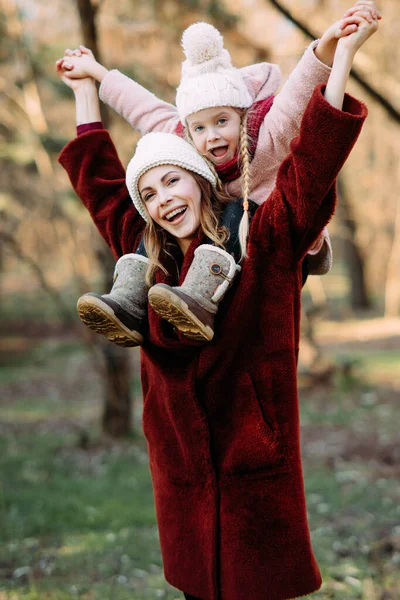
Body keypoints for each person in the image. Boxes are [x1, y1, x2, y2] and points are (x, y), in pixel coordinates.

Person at [58, 12, 377, 598]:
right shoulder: (144, 249)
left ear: (201, 180)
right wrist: (85, 90)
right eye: (149, 192)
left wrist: (341, 57)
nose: (161, 199)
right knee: (195, 588)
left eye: (172, 182)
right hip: (180, 465)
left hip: (254, 460)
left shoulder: (266, 238)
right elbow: (101, 185)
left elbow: (312, 163)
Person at [56, 2, 380, 345]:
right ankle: (128, 300)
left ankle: (199, 296)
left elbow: (303, 90)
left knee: (235, 207)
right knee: (149, 235)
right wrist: (91, 76)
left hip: (272, 239)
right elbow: (139, 107)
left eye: (222, 121)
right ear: (187, 131)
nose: (211, 135)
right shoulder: (181, 153)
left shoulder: (267, 135)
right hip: (170, 386)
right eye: (200, 127)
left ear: (240, 115)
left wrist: (335, 44)